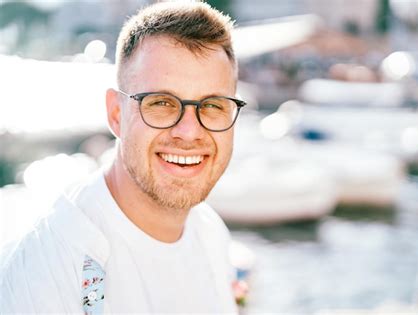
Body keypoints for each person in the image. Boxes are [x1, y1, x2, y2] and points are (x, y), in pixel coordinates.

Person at [0, 1, 246, 313]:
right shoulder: (46, 273)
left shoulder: (211, 233)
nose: (188, 132)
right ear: (116, 114)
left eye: (212, 105)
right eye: (161, 102)